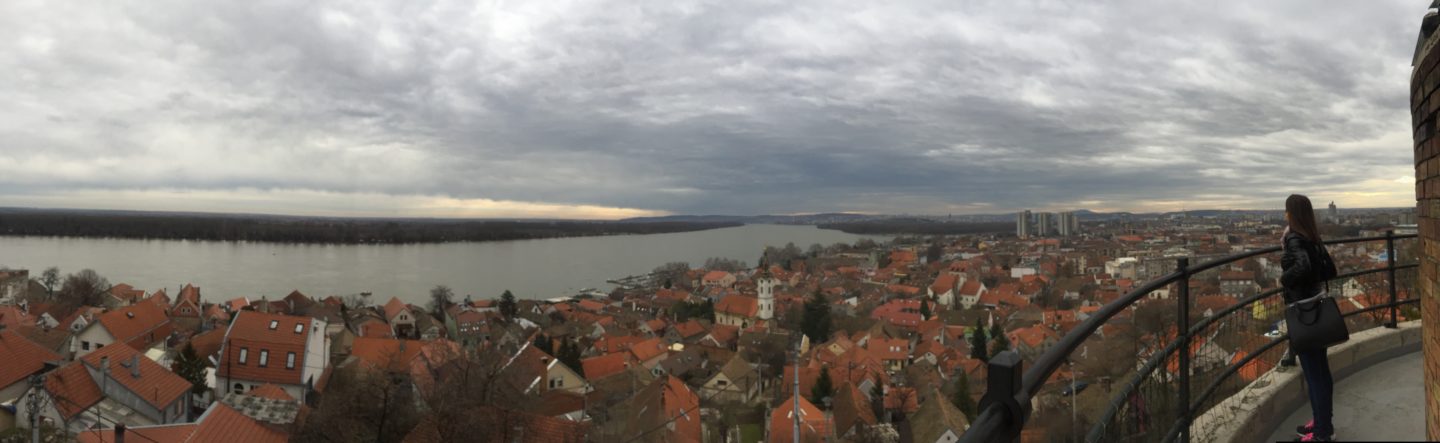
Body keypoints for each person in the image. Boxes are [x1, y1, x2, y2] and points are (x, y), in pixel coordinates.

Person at [1281, 194, 1336, 442]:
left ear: (1291, 213)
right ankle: (1323, 423)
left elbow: (1301, 267)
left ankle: (1321, 434)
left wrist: (1283, 279)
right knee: (1321, 372)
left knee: (1314, 375)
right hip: (1318, 306)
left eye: (1286, 211)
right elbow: (1330, 270)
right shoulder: (1313, 237)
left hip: (1304, 312)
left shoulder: (1293, 236)